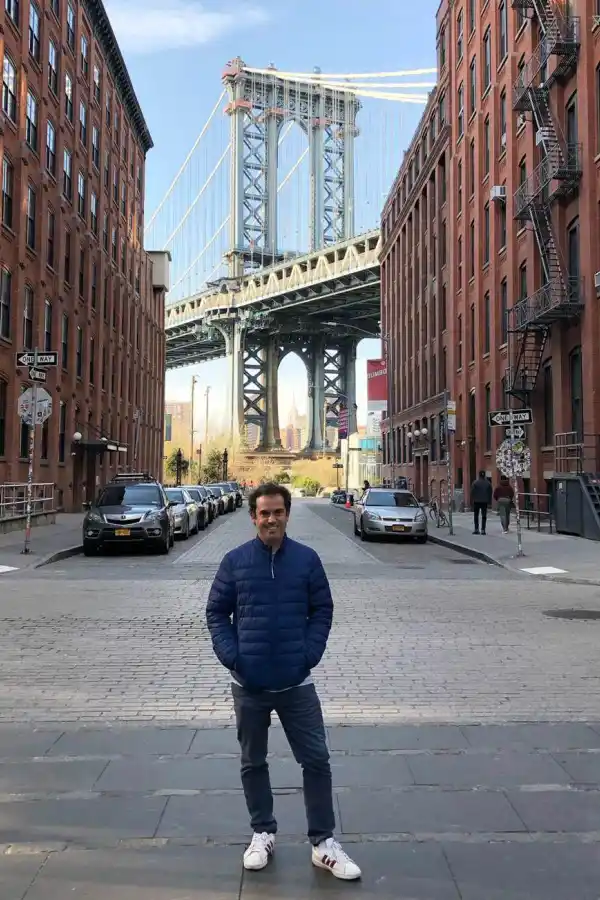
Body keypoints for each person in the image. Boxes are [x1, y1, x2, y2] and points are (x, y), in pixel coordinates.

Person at [206, 482, 361, 881]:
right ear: (253, 517)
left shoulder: (307, 561)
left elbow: (322, 609)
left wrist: (308, 655)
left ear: (287, 514)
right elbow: (215, 613)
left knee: (316, 760)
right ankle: (262, 832)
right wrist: (233, 658)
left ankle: (323, 844)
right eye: (264, 513)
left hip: (296, 683)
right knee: (253, 762)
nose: (271, 519)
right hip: (249, 685)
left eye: (278, 512)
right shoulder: (234, 561)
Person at [470, 470, 492, 535]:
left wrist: (472, 500)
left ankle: (476, 529)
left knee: (476, 516)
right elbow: (490, 492)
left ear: (479, 475)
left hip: (476, 501)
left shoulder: (475, 482)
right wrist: (489, 501)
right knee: (484, 516)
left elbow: (472, 492)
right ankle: (483, 530)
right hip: (484, 501)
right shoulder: (488, 483)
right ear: (484, 475)